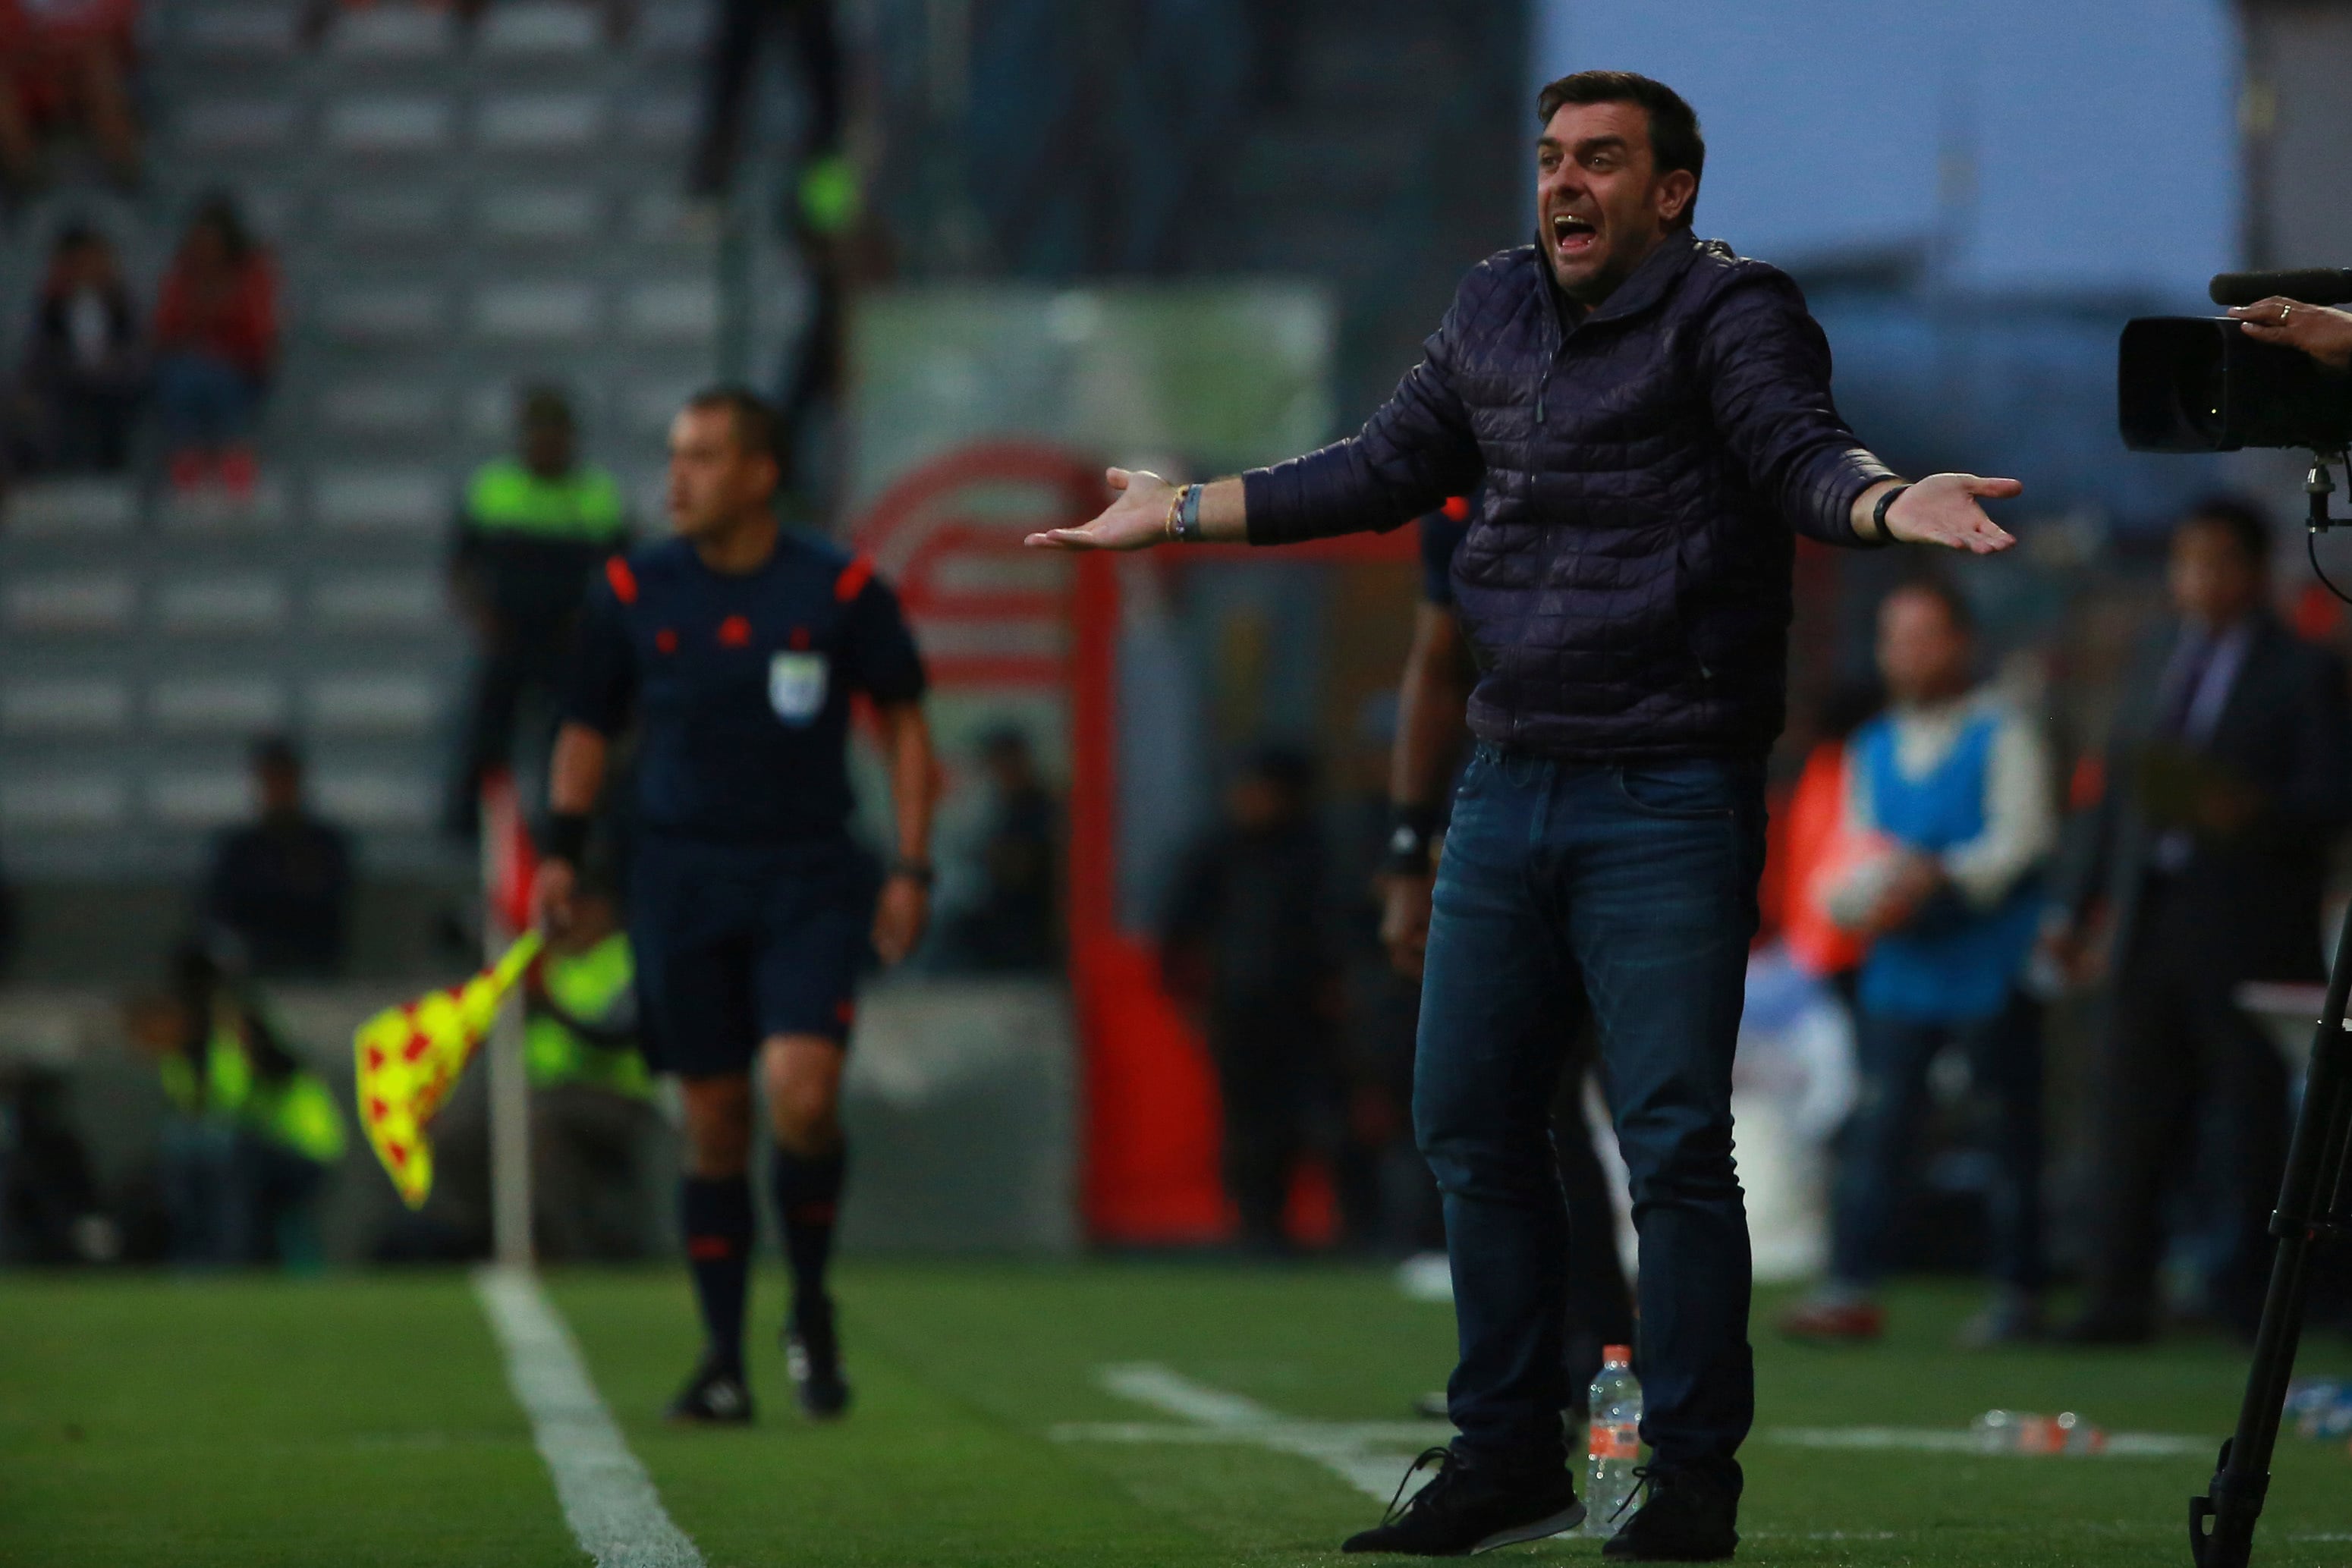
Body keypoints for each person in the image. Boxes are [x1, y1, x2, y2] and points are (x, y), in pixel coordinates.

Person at [1029, 69, 2018, 1560]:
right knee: (1467, 1122)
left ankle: (1683, 1474)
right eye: (1551, 158)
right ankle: (1507, 1451)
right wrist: (1176, 508)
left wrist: (1888, 503)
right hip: (1507, 779)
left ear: (1670, 191)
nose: (1563, 183)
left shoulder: (1734, 312)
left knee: (1673, 1140)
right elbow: (1371, 470)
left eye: (1601, 162)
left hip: (1666, 787)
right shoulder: (1488, 306)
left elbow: (1800, 455)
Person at [534, 386, 936, 1425]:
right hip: (679, 880)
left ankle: (807, 1300)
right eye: (676, 454)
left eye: (705, 456)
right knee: (713, 1123)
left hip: (808, 873)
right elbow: (584, 729)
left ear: (760, 473)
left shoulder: (840, 585)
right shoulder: (629, 588)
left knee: (801, 1096)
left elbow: (903, 726)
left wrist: (911, 864)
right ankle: (722, 1357)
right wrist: (560, 856)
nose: (679, 476)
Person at [2045, 499, 2352, 1342]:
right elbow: (2111, 797)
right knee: (2130, 1109)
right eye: (2185, 562)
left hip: (2254, 925)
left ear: (2255, 571)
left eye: (2216, 562)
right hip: (2154, 916)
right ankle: (2116, 1298)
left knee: (2245, 1118)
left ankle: (2242, 1297)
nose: (2197, 580)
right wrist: (2075, 907)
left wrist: (2246, 811)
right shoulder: (2153, 657)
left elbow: (2331, 800)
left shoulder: (2302, 668)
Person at [1385, 496, 1636, 1416]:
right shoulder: (1459, 490)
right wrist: (1413, 845)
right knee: (1503, 1107)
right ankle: (1560, 1368)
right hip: (1507, 829)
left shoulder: (1646, 463)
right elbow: (1437, 661)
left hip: (1645, 822)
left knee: (1661, 1124)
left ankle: (1634, 1376)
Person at [1776, 580, 2057, 1348]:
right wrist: (1866, 894)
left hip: (1986, 961)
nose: (1909, 653)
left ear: (1961, 642)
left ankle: (2016, 1290)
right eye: (1897, 637)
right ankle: (1850, 1286)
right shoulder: (1872, 746)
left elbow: (2021, 841)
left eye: (1925, 636)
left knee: (2007, 1133)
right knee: (1877, 1132)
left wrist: (1939, 875)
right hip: (1900, 967)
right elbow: (1853, 853)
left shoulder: (2003, 731)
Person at [1161, 746, 1339, 1252]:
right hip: (1238, 1010)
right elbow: (1178, 931)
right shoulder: (1217, 850)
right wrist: (1191, 1001)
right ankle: (1256, 1227)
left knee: (1319, 1120)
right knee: (1247, 1123)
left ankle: (1350, 1227)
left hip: (1310, 1014)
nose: (1249, 799)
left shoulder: (1317, 851)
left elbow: (1337, 926)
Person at [447, 385, 630, 836]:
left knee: (567, 741)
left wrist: (598, 625)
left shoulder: (596, 494)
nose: (546, 444)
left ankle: (564, 833)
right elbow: (461, 563)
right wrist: (480, 616)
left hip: (567, 642)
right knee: (489, 739)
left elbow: (624, 575)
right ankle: (475, 829)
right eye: (538, 433)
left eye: (556, 434)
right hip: (509, 636)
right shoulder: (495, 488)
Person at [124, 946, 347, 1267]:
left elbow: (245, 1091)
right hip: (249, 1147)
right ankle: (191, 1254)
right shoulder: (183, 1054)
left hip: (305, 1149)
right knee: (180, 1147)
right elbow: (196, 1109)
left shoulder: (245, 1026)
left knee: (227, 1151)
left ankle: (230, 1257)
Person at [524, 864, 660, 1262]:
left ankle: (566, 1250)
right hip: (544, 1091)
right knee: (462, 1128)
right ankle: (468, 1237)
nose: (572, 918)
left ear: (604, 910)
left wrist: (549, 1006)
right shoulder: (552, 962)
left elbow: (615, 1031)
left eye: (581, 906)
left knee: (540, 1123)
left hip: (615, 1098)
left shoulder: (629, 958)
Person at [153, 193, 278, 498]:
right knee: (184, 377)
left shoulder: (251, 275)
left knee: (216, 378)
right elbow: (164, 330)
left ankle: (233, 455)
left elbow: (259, 334)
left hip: (240, 371)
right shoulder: (182, 278)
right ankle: (187, 458)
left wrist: (217, 327)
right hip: (187, 368)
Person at [201, 737, 354, 980]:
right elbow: (223, 908)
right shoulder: (240, 848)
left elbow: (328, 904)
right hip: (253, 962)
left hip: (313, 962)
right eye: (272, 781)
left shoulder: (325, 845)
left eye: (285, 780)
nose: (280, 790)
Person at [13, 222, 143, 475]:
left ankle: (113, 474)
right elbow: (41, 353)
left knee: (112, 402)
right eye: (81, 262)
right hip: (66, 385)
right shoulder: (53, 306)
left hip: (114, 386)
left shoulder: (121, 304)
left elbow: (136, 350)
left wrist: (112, 364)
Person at [934, 726, 1060, 973]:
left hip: (1026, 936)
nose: (994, 773)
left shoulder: (1040, 809)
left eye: (997, 764)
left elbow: (1020, 867)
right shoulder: (1004, 808)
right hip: (1001, 930)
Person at [0, 0, 141, 194]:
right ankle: (27, 183)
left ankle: (129, 172)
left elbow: (123, 29)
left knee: (98, 63)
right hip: (26, 90)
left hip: (91, 77)